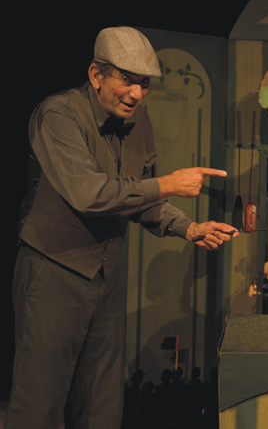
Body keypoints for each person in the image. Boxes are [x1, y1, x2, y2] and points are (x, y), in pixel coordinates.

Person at [9, 27, 239, 429]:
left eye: (144, 84)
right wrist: (169, 184)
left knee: (100, 405)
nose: (136, 93)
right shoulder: (58, 114)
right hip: (53, 269)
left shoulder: (138, 123)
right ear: (96, 75)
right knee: (39, 404)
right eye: (127, 80)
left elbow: (139, 196)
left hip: (105, 275)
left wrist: (189, 228)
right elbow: (89, 194)